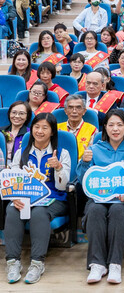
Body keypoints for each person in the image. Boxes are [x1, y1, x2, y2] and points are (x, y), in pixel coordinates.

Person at [76, 110, 124, 284]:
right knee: (95, 210)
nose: (115, 129)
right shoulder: (94, 149)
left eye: (120, 125)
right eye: (111, 125)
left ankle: (115, 263)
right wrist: (85, 162)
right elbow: (82, 179)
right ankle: (97, 264)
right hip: (99, 199)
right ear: (105, 128)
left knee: (117, 210)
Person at [5, 113, 70, 284]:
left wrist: (58, 168)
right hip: (26, 196)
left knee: (40, 213)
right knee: (11, 210)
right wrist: (15, 197)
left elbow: (63, 186)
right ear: (31, 129)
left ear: (52, 132)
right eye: (36, 127)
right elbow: (13, 179)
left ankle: (37, 262)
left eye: (45, 127)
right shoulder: (21, 153)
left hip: (54, 198)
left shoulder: (62, 154)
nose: (40, 131)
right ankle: (13, 262)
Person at [57, 95, 97, 159]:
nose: (74, 111)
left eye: (78, 108)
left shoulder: (92, 130)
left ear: (84, 111)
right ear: (65, 111)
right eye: (70, 107)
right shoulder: (56, 128)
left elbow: (92, 155)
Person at [0, 101, 30, 165]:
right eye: (14, 112)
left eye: (21, 113)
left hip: (20, 166)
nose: (17, 116)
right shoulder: (1, 131)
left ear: (27, 116)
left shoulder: (29, 134)